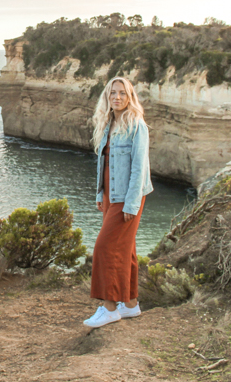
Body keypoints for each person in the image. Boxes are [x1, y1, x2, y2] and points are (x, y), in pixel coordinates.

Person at [83, 76, 153, 328]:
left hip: (128, 197)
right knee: (126, 250)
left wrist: (131, 205)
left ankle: (110, 307)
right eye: (113, 93)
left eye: (123, 93)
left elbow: (140, 169)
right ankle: (131, 304)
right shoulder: (108, 123)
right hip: (109, 197)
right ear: (107, 96)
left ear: (130, 96)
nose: (117, 97)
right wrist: (99, 194)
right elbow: (104, 164)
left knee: (104, 248)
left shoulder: (137, 125)